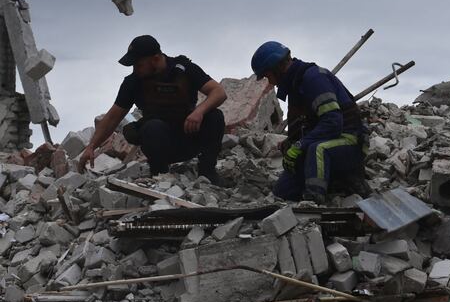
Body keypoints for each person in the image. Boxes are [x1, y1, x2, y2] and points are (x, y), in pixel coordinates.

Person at [78, 35, 226, 183]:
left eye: (138, 64)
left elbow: (219, 92)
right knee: (152, 127)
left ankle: (207, 174)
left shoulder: (184, 69)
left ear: (155, 59)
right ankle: (160, 178)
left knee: (214, 116)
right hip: (160, 144)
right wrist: (91, 146)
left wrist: (199, 112)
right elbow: (112, 118)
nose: (135, 69)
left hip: (189, 138)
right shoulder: (133, 82)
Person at [251, 41, 369, 203]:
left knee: (318, 149)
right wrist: (290, 143)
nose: (270, 82)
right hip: (330, 141)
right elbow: (307, 126)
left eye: (267, 75)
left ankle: (314, 200)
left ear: (277, 67)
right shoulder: (295, 86)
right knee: (283, 192)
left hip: (349, 141)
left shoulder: (313, 78)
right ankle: (337, 183)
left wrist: (300, 145)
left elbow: (333, 122)